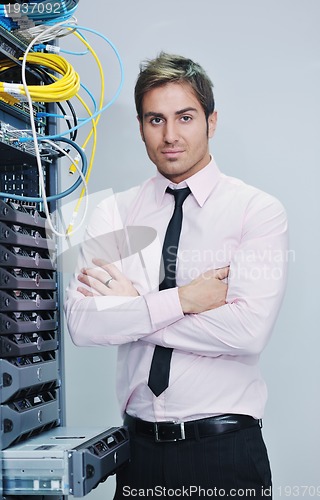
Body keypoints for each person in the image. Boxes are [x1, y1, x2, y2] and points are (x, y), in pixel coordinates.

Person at [64, 52, 288, 499]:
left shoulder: (257, 211)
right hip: (138, 453)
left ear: (211, 121)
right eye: (155, 119)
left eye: (185, 117)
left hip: (224, 452)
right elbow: (82, 324)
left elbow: (247, 333)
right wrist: (182, 299)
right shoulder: (114, 210)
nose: (170, 136)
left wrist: (133, 307)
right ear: (140, 126)